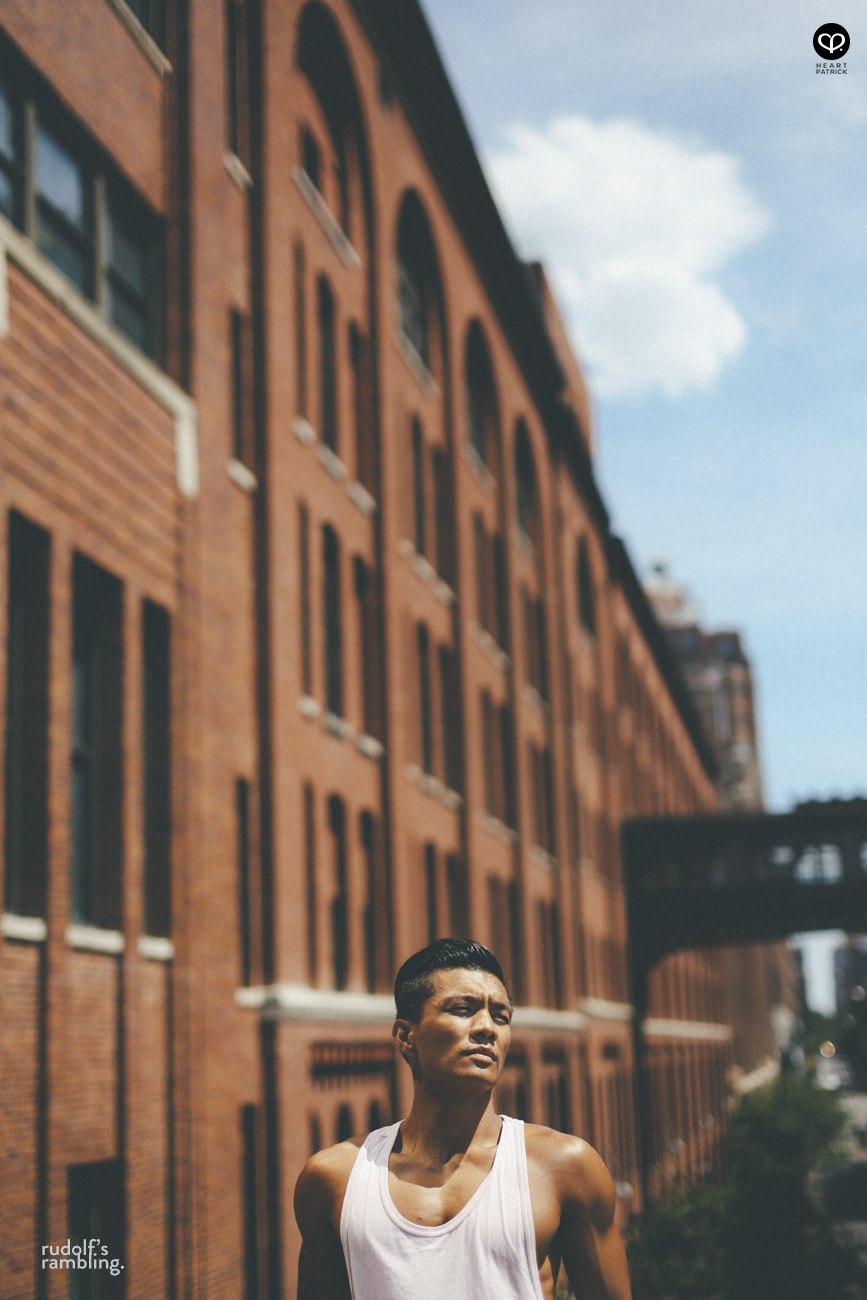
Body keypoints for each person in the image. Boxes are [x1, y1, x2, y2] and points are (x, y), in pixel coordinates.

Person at [294, 938, 633, 1300]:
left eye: (500, 1016)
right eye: (462, 1009)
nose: (487, 1027)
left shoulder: (565, 1166)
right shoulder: (334, 1178)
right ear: (405, 1037)